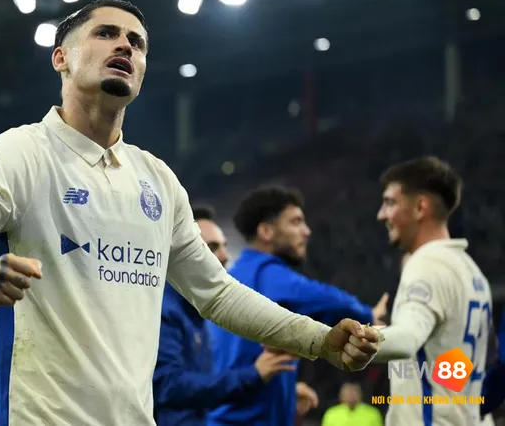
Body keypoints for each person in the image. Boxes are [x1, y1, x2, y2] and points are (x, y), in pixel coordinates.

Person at [0, 0, 382, 426]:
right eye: (105, 33)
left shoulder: (157, 179)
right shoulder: (19, 153)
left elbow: (218, 294)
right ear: (60, 58)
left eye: (136, 43)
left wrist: (319, 340)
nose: (125, 45)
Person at [207, 185, 388, 426]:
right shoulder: (267, 274)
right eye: (295, 222)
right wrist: (367, 313)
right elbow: (327, 299)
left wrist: (286, 392)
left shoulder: (235, 275)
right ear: (266, 231)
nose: (306, 231)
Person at [153, 205, 300, 425]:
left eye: (224, 246)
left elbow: (208, 380)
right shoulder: (165, 310)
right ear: (179, 251)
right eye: (212, 247)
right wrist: (253, 374)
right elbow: (169, 386)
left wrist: (278, 392)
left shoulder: (196, 309)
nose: (224, 256)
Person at [372, 156, 492, 426]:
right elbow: (453, 364)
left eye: (390, 203)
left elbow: (406, 339)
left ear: (420, 207)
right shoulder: (472, 273)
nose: (381, 214)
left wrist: (351, 335)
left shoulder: (426, 264)